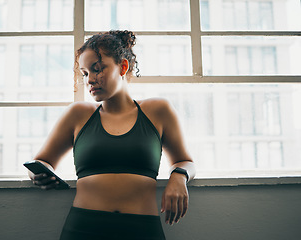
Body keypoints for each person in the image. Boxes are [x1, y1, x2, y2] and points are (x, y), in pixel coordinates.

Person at [27, 30, 196, 240]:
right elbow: (41, 161)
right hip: (83, 229)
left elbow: (186, 161)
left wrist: (179, 176)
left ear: (123, 67)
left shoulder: (158, 110)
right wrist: (37, 174)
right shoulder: (78, 114)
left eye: (97, 69)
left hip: (142, 230)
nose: (89, 80)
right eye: (84, 73)